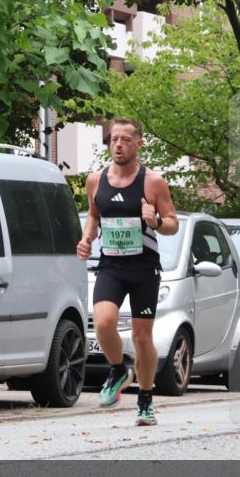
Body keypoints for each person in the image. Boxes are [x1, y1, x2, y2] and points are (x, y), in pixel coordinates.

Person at [76, 117, 178, 426]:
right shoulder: (95, 180)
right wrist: (86, 238)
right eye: (113, 140)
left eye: (124, 139)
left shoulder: (153, 182)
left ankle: (145, 399)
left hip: (144, 267)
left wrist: (156, 221)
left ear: (138, 144)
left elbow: (172, 223)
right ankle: (119, 369)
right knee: (104, 322)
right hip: (111, 265)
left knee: (142, 338)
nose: (118, 145)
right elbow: (94, 215)